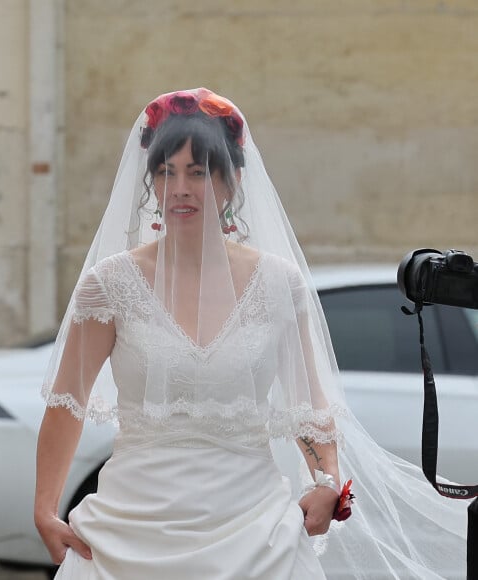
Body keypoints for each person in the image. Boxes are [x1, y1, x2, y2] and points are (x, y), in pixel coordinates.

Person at [35, 88, 467, 579]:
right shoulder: (109, 285)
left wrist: (327, 477)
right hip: (129, 533)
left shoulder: (278, 284)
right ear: (150, 181)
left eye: (197, 172)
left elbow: (311, 406)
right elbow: (66, 402)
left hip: (254, 532)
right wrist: (45, 508)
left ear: (232, 180)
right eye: (166, 172)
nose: (180, 187)